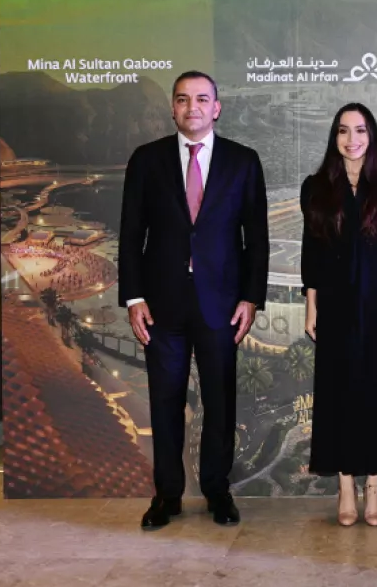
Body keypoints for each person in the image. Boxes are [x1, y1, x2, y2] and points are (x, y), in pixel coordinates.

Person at [119, 70, 269, 530]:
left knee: (220, 400)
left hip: (221, 303)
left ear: (216, 108)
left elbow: (256, 238)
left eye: (202, 99)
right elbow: (131, 234)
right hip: (161, 303)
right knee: (164, 400)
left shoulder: (243, 161)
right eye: (183, 99)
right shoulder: (146, 160)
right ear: (173, 108)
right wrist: (134, 297)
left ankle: (217, 491)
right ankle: (166, 496)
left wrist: (250, 298)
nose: (193, 107)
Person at [300, 103, 377, 527]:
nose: (353, 139)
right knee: (339, 393)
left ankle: (374, 485)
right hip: (334, 305)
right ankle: (345, 485)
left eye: (361, 130)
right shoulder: (316, 187)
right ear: (334, 137)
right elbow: (311, 251)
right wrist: (311, 304)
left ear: (373, 136)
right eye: (344, 131)